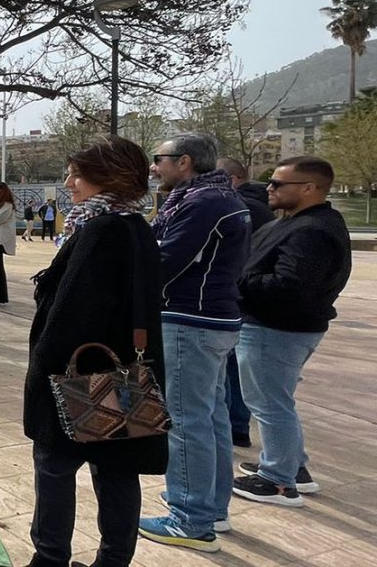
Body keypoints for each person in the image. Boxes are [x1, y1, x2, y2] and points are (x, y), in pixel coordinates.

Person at [25, 135, 167, 567]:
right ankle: (113, 559)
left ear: (106, 177)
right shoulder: (132, 225)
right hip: (121, 371)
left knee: (55, 468)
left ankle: (49, 559)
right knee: (117, 470)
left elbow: (73, 309)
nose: (69, 182)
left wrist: (43, 369)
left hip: (80, 375)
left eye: (77, 174)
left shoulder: (102, 229)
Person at [138, 132, 250, 553]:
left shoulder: (203, 203)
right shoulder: (213, 199)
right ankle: (211, 507)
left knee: (187, 421)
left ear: (184, 162)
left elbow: (166, 260)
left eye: (159, 158)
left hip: (192, 321)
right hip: (209, 321)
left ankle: (190, 517)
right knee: (211, 417)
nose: (154, 167)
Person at [232, 156, 352, 508]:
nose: (269, 188)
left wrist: (238, 281)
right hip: (281, 327)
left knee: (269, 404)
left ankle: (278, 481)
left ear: (309, 188)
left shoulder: (312, 231)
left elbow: (290, 286)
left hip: (276, 329)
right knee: (277, 401)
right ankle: (291, 465)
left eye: (278, 184)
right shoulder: (304, 223)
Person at [216, 157, 275, 448]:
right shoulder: (258, 208)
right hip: (242, 300)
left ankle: (233, 425)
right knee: (234, 371)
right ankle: (236, 426)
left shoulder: (238, 207)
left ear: (233, 179)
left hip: (238, 299)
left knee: (229, 372)